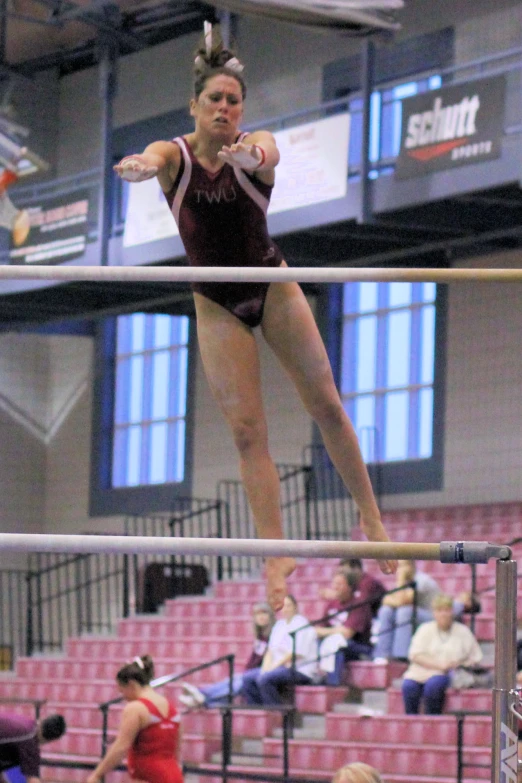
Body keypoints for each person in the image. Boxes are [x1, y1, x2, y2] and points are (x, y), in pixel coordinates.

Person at [113, 22, 396, 611]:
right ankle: (275, 556)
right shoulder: (177, 155)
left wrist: (252, 154)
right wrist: (142, 165)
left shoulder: (255, 143)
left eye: (233, 100)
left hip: (271, 283)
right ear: (194, 105)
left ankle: (371, 518)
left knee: (326, 404)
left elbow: (267, 153)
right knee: (248, 433)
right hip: (216, 302)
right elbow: (157, 154)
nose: (224, 108)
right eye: (214, 99)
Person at [86, 655, 182, 783]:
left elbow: (121, 747)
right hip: (174, 775)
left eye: (122, 691)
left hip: (149, 777)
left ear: (131, 684)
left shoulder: (135, 708)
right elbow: (177, 749)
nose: (124, 697)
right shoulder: (173, 709)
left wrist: (97, 774)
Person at [179, 602, 276, 708]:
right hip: (253, 672)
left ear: (270, 616)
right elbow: (253, 659)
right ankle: (202, 697)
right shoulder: (260, 636)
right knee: (233, 680)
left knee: (239, 683)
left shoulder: (275, 634)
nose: (261, 617)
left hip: (267, 671)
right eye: (258, 614)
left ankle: (203, 696)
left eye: (264, 613)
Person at [401, 594, 483, 715]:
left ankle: (432, 722)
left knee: (433, 686)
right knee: (408, 686)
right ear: (434, 613)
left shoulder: (463, 631)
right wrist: (439, 665)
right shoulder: (424, 629)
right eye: (440, 610)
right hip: (420, 671)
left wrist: (458, 664)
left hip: (448, 673)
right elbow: (415, 655)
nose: (443, 614)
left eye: (447, 610)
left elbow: (475, 658)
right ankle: (411, 722)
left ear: (452, 612)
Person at [241, 595, 317, 705]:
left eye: (288, 606)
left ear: (295, 607)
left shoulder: (302, 623)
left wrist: (272, 668)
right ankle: (257, 711)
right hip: (278, 667)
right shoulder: (279, 625)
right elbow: (270, 651)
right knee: (247, 678)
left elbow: (296, 654)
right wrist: (265, 669)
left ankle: (275, 713)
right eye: (283, 607)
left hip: (299, 669)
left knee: (265, 679)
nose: (285, 609)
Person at [316, 570, 374, 685]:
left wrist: (330, 632)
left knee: (337, 647)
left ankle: (333, 686)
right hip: (336, 643)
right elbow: (317, 630)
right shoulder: (331, 604)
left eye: (339, 584)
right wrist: (337, 631)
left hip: (359, 647)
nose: (335, 587)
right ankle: (316, 677)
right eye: (334, 583)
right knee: (324, 643)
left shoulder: (359, 604)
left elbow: (348, 633)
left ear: (350, 587)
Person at [0, 712, 66, 783]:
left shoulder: (26, 723)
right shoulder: (30, 743)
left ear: (42, 719)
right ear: (52, 740)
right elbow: (33, 780)